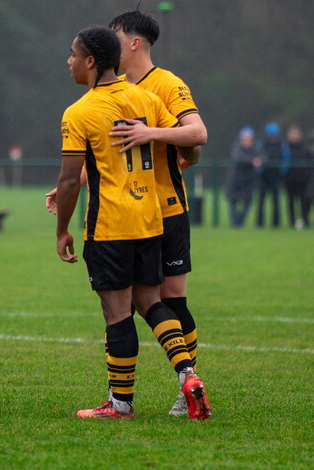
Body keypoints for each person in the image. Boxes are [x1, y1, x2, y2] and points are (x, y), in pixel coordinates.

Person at [53, 25, 210, 420]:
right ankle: (188, 375)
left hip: (109, 226)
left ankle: (120, 405)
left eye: (72, 54)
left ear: (91, 61)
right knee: (151, 302)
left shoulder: (79, 112)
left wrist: (61, 229)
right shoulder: (144, 97)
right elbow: (188, 144)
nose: (68, 62)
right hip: (150, 221)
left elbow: (71, 178)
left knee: (117, 314)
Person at [105, 9, 208, 417]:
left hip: (166, 210)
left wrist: (152, 133)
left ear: (133, 42)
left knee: (171, 301)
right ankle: (118, 395)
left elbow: (197, 135)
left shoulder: (166, 83)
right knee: (122, 304)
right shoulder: (115, 88)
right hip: (128, 211)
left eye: (115, 35)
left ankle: (188, 386)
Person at [226, 126, 260, 228]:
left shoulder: (255, 150)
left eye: (249, 139)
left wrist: (259, 160)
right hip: (235, 180)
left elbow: (263, 157)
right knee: (233, 201)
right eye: (245, 138)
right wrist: (252, 161)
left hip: (248, 181)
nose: (247, 141)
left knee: (247, 202)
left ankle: (239, 224)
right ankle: (234, 224)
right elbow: (239, 158)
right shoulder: (236, 149)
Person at [255, 122, 287, 228]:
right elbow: (257, 158)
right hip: (263, 176)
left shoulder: (281, 146)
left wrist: (281, 172)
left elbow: (285, 160)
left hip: (276, 176)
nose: (272, 136)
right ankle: (259, 223)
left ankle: (276, 224)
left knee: (276, 202)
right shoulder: (261, 145)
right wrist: (259, 170)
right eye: (270, 134)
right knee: (261, 202)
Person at [283, 124, 313, 229]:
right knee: (290, 202)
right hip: (289, 179)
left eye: (296, 133)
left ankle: (305, 221)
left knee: (304, 201)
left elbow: (311, 163)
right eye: (292, 133)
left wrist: (307, 174)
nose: (294, 136)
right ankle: (292, 223)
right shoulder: (285, 148)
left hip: (302, 179)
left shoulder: (305, 149)